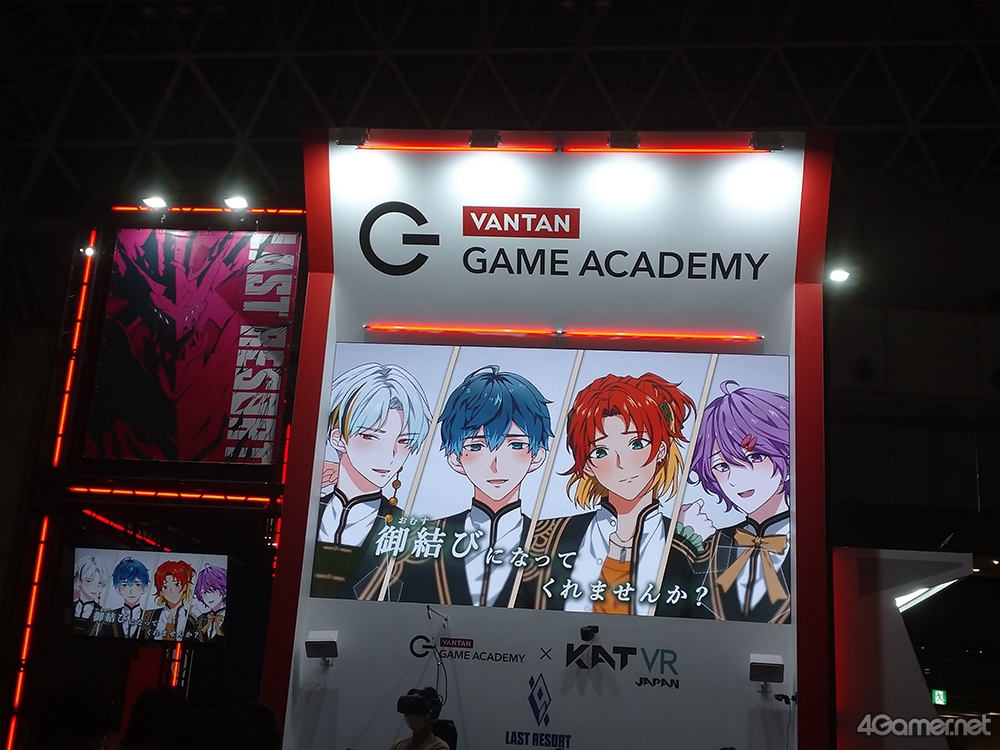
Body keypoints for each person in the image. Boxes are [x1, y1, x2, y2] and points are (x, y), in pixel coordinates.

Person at [524, 373, 709, 615]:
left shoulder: (688, 550)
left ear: (661, 450)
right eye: (601, 452)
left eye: (637, 444)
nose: (621, 464)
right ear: (587, 465)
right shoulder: (545, 537)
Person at [399, 365, 552, 606]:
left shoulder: (553, 543)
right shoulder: (426, 537)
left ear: (537, 455)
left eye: (515, 445)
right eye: (477, 446)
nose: (496, 464)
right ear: (455, 458)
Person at [312, 362, 432, 599]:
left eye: (404, 441)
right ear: (338, 438)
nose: (390, 455)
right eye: (371, 437)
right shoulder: (309, 512)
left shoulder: (410, 532)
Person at [682, 381, 792, 623]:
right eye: (721, 466)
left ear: (787, 456)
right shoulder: (712, 544)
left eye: (755, 457)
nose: (736, 478)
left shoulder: (809, 544)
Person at [141, 560, 196, 640]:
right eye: (165, 587)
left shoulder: (192, 621)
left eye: (176, 585)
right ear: (161, 592)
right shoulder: (148, 616)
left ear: (184, 587)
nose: (171, 591)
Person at [97, 557, 150, 638]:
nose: (131, 591)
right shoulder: (109, 617)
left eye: (137, 584)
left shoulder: (150, 617)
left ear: (145, 588)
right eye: (125, 585)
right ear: (118, 589)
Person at [72, 554, 110, 635]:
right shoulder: (72, 606)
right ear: (79, 581)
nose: (96, 587)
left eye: (100, 583)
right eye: (89, 581)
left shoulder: (103, 614)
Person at [191, 563, 227, 642]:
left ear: (224, 590)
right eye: (204, 592)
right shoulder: (201, 619)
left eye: (213, 590)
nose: (208, 597)